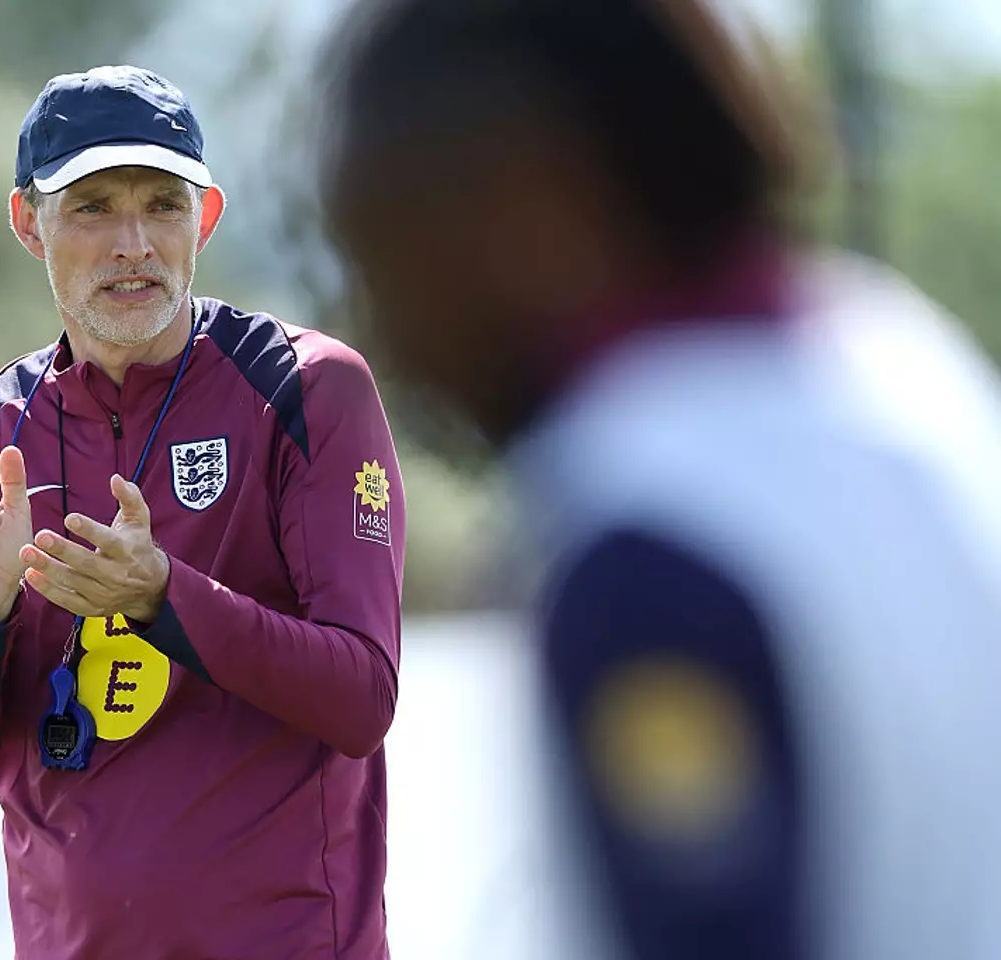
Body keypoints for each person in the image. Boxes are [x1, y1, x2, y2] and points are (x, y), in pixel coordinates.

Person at [320, 1, 1001, 959]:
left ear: (531, 198)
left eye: (380, 242)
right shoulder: (903, 358)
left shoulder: (639, 532)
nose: (384, 335)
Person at [0, 64, 405, 960]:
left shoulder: (306, 389)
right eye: (92, 207)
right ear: (28, 223)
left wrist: (165, 597)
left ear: (203, 218)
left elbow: (361, 697)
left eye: (162, 205)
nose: (133, 243)